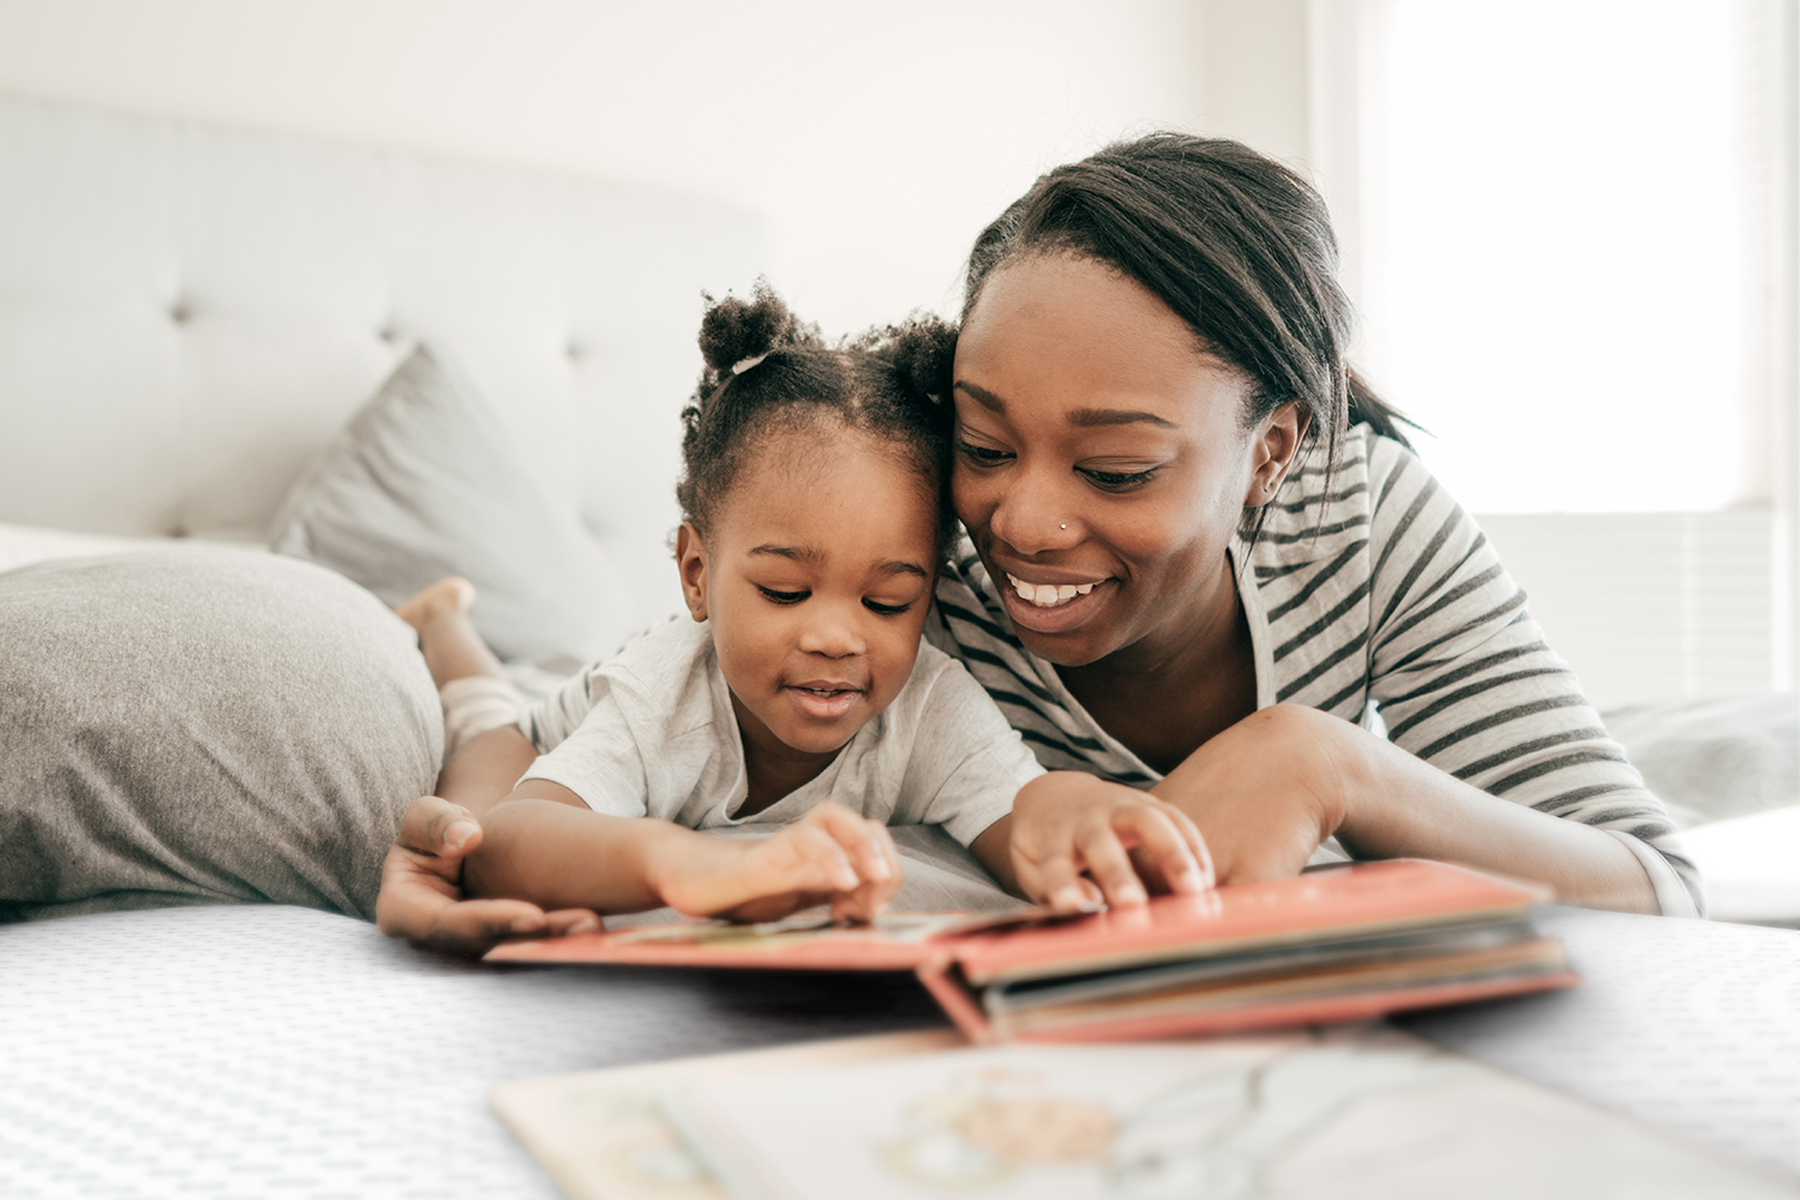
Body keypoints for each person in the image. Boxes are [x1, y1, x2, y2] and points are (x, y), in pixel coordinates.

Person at [380, 134, 1696, 953]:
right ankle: (444, 622)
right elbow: (608, 727)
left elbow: (1656, 886)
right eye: (985, 440)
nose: (1020, 522)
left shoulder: (1366, 520)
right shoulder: (901, 571)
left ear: (1276, 452)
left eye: (1116, 466)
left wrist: (1331, 767)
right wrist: (459, 829)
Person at [381, 287, 1209, 941]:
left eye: (888, 602)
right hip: (546, 729)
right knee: (486, 727)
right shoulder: (660, 698)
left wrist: (1075, 812)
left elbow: (1018, 809)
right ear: (698, 574)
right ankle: (446, 619)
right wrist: (689, 865)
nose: (835, 638)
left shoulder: (930, 703)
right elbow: (519, 836)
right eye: (784, 591)